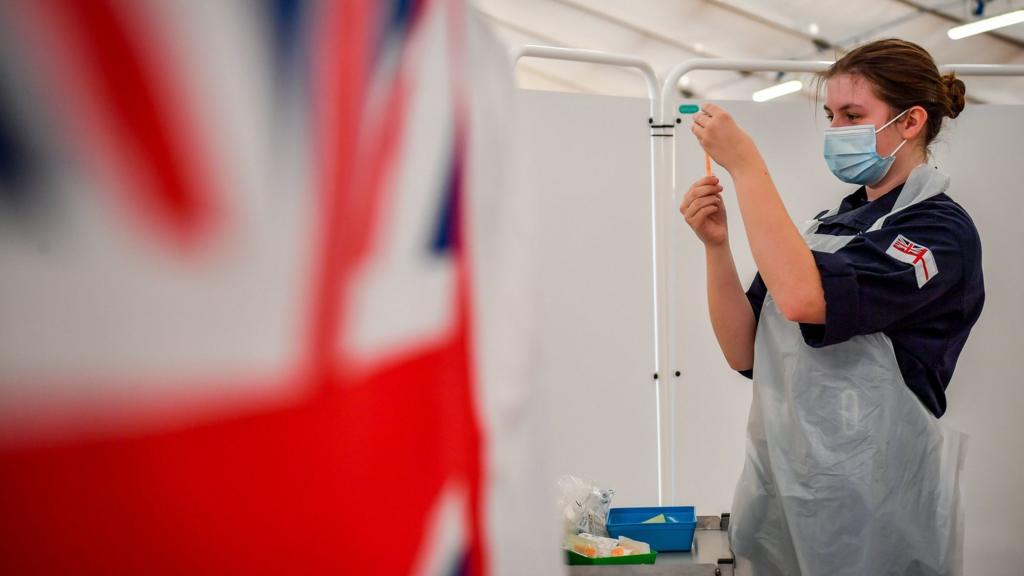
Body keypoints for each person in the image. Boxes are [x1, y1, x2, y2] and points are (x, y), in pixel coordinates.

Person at [680, 39, 984, 575]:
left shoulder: (938, 233)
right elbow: (741, 348)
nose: (837, 130)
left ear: (910, 122)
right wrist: (717, 246)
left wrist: (747, 167)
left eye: (853, 115)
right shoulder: (825, 228)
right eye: (831, 116)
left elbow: (802, 300)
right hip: (785, 495)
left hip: (878, 511)